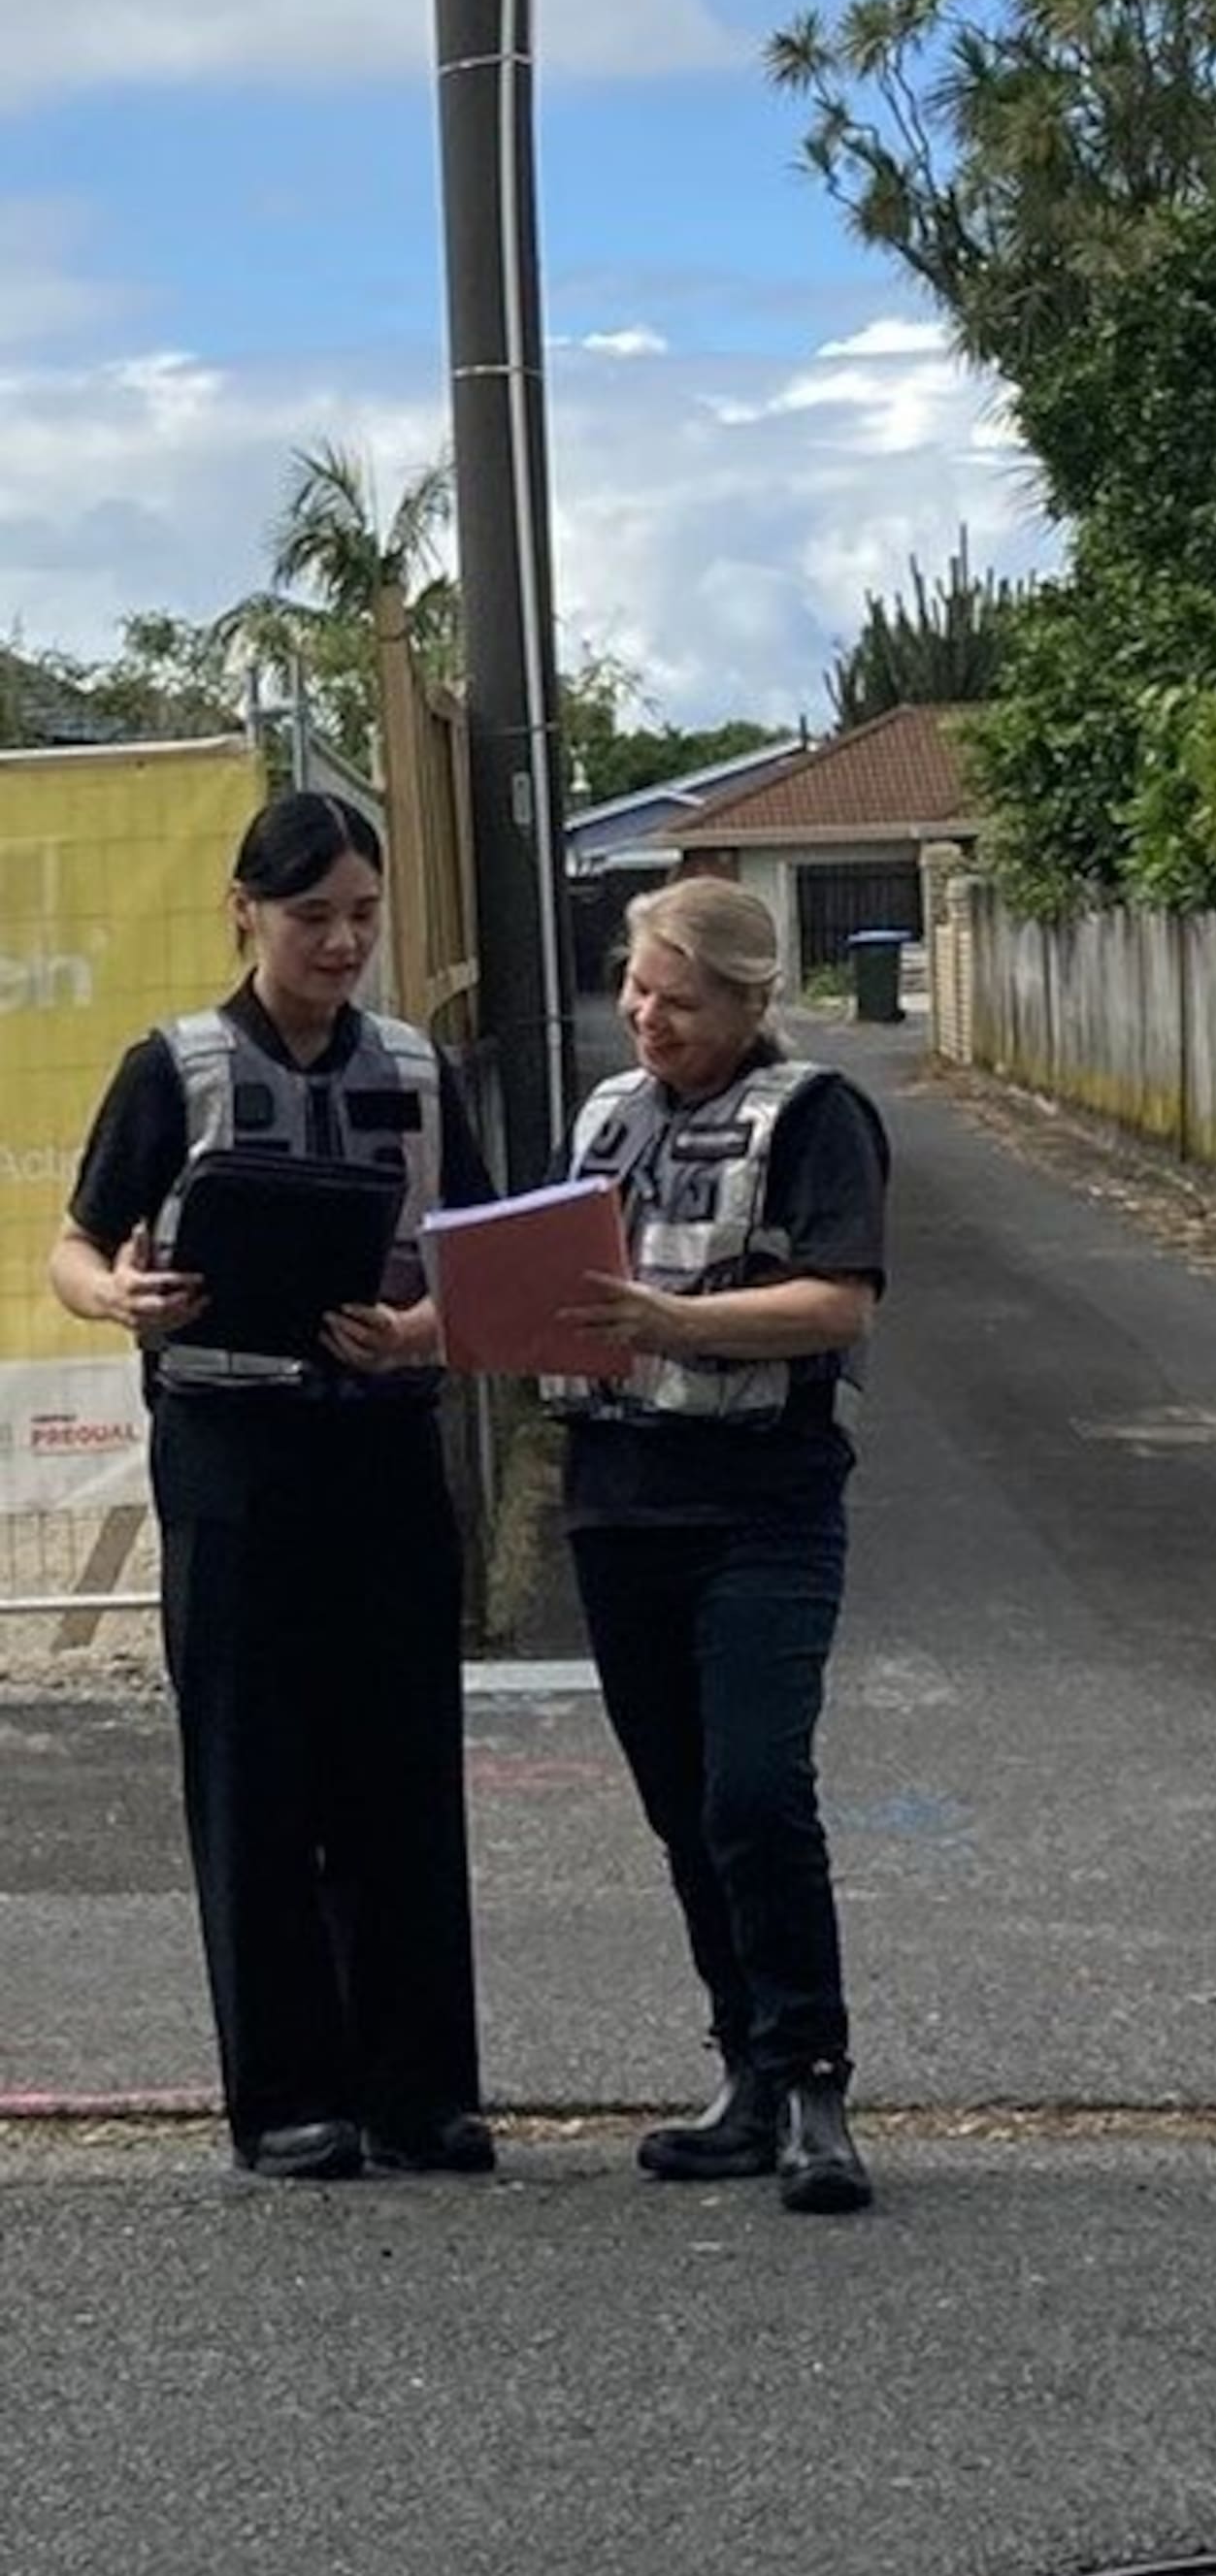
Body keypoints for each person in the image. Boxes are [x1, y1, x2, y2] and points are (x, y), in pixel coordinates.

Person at [49, 791, 495, 2184]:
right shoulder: (171, 1068)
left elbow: (488, 1262)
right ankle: (289, 2094)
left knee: (402, 1766)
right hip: (232, 1454)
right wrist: (127, 1295)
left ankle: (423, 2089)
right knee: (254, 1772)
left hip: (381, 1446)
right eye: (314, 917)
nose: (343, 942)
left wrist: (425, 1331)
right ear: (243, 909)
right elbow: (74, 1249)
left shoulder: (420, 1070)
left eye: (364, 916)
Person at [549, 875, 889, 2214]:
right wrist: (421, 1327)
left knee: (756, 1789)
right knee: (686, 1806)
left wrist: (676, 1323)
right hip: (619, 1499)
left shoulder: (817, 1117)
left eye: (679, 998)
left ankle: (813, 2075)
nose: (647, 1015)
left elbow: (839, 1301)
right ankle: (744, 2067)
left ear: (751, 1001)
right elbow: (550, 1289)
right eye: (637, 988)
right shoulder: (605, 1118)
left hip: (762, 1501)